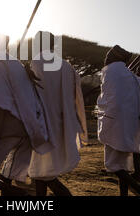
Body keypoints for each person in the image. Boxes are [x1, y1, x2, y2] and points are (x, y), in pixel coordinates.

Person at [0, 32, 52, 196]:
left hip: (9, 130)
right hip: (29, 129)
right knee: (6, 175)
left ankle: (21, 195)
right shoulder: (18, 65)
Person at [28, 31, 88, 196]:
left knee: (42, 171)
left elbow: (33, 95)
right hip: (63, 124)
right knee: (41, 172)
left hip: (42, 124)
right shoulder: (67, 66)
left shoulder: (37, 62)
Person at [97, 45, 140, 196]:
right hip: (131, 124)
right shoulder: (130, 75)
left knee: (114, 165)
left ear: (112, 58)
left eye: (108, 56)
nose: (105, 58)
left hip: (115, 124)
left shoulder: (111, 72)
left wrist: (105, 121)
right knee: (122, 164)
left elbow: (111, 101)